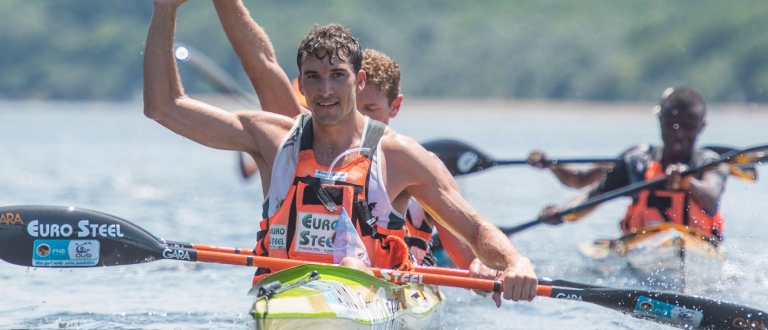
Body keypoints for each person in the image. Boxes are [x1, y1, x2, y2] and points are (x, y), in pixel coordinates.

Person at [145, 0, 537, 304]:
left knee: (352, 264)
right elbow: (162, 107)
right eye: (313, 79)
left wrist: (516, 263)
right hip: (283, 299)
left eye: (338, 76)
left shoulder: (399, 156)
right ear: (302, 86)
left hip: (373, 300)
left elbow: (474, 228)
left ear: (358, 79)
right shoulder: (273, 138)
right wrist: (163, 9)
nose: (325, 91)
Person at [528, 87, 728, 239]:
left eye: (688, 128)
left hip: (699, 247)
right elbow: (591, 193)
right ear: (660, 120)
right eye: (672, 126)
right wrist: (562, 214)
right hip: (642, 245)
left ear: (702, 126)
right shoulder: (637, 162)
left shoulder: (710, 163)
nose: (679, 135)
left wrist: (687, 183)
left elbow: (711, 195)